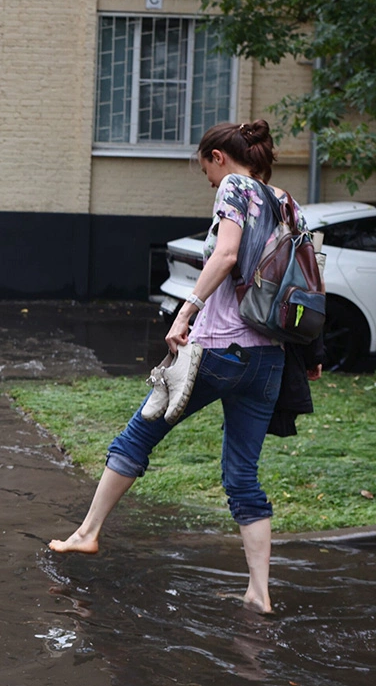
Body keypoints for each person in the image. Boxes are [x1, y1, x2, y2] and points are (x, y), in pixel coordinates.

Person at [49, 120, 321, 615]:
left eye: (208, 175)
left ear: (218, 157)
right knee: (242, 476)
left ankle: (87, 533)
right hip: (268, 360)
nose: (213, 186)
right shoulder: (286, 200)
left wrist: (185, 311)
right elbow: (307, 277)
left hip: (216, 351)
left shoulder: (237, 187)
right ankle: (259, 592)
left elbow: (227, 253)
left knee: (135, 437)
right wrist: (312, 352)